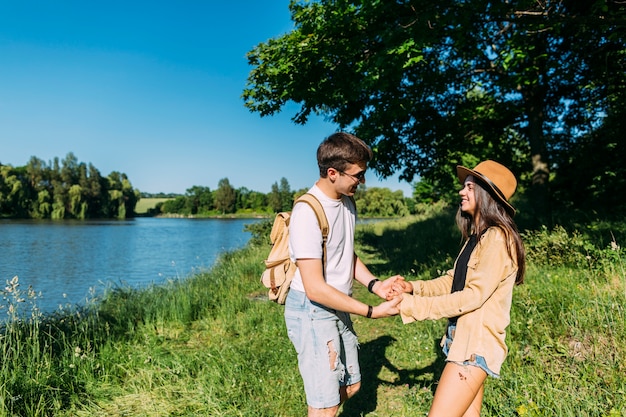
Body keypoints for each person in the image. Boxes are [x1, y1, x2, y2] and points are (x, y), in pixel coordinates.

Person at [392, 160, 526, 417]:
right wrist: (413, 288)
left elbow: (473, 296)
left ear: (487, 194)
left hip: (474, 347)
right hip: (461, 341)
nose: (461, 192)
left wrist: (412, 306)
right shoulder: (478, 237)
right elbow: (453, 281)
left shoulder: (498, 238)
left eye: (469, 187)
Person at [285, 132, 402, 417]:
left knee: (352, 386)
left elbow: (343, 252)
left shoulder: (347, 201)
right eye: (358, 175)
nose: (362, 182)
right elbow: (315, 288)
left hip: (338, 305)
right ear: (332, 173)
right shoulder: (307, 212)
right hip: (312, 309)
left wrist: (374, 285)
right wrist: (373, 312)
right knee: (325, 406)